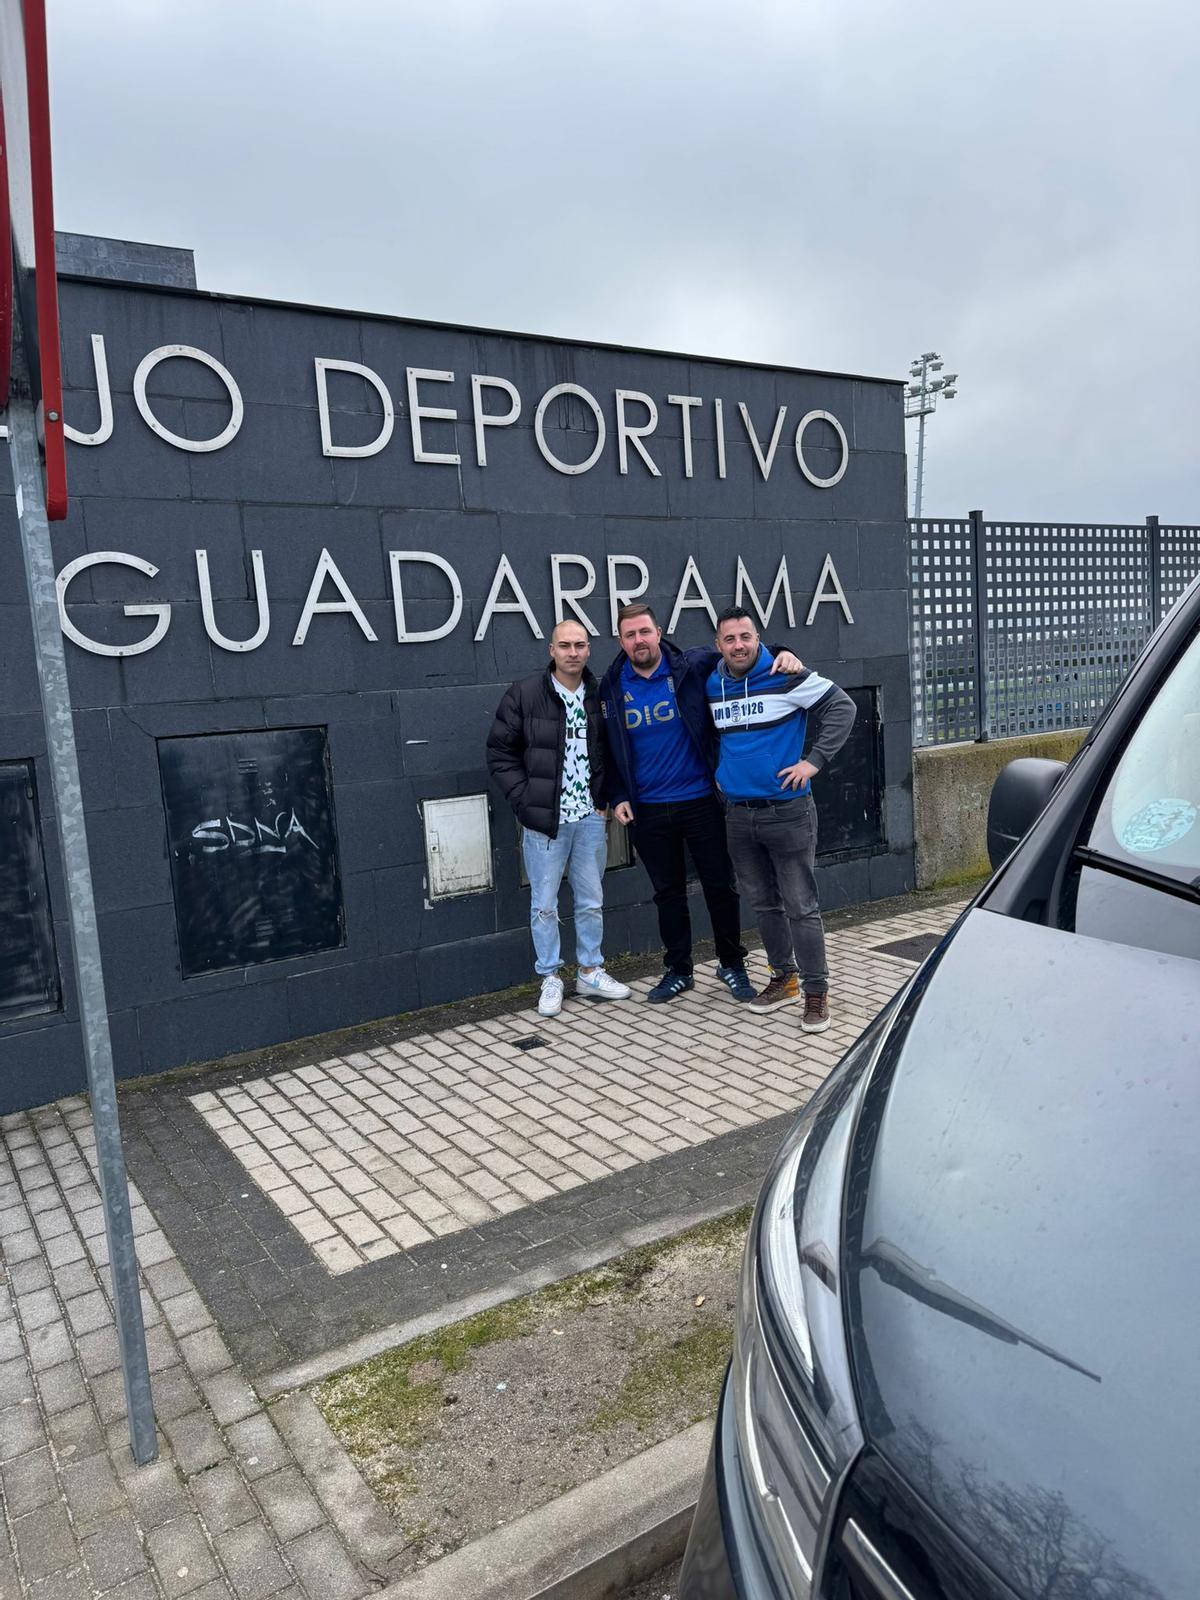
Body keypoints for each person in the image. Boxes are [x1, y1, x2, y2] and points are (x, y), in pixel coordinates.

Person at [598, 602, 803, 1004]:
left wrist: (782, 649)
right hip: (647, 808)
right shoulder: (610, 685)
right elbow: (609, 746)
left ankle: (732, 963)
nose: (639, 640)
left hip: (701, 801)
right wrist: (617, 794)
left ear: (659, 632)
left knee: (719, 887)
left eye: (645, 631)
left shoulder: (692, 665)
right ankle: (678, 970)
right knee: (667, 893)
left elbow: (742, 650)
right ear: (621, 641)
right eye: (630, 635)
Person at [707, 606, 856, 1033]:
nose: (739, 645)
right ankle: (784, 978)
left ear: (759, 639)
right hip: (738, 814)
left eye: (746, 637)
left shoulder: (786, 673)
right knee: (763, 903)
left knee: (800, 906)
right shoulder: (712, 683)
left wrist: (813, 761)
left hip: (788, 812)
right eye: (730, 639)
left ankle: (815, 992)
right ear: (719, 645)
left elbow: (841, 709)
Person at [486, 619, 632, 1019]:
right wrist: (525, 800)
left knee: (590, 901)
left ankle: (589, 971)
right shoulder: (526, 693)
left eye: (580, 645)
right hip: (544, 822)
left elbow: (615, 750)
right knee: (544, 905)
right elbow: (500, 753)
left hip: (589, 817)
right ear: (551, 649)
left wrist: (605, 798)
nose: (573, 652)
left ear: (589, 649)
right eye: (565, 645)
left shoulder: (600, 694)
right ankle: (550, 977)